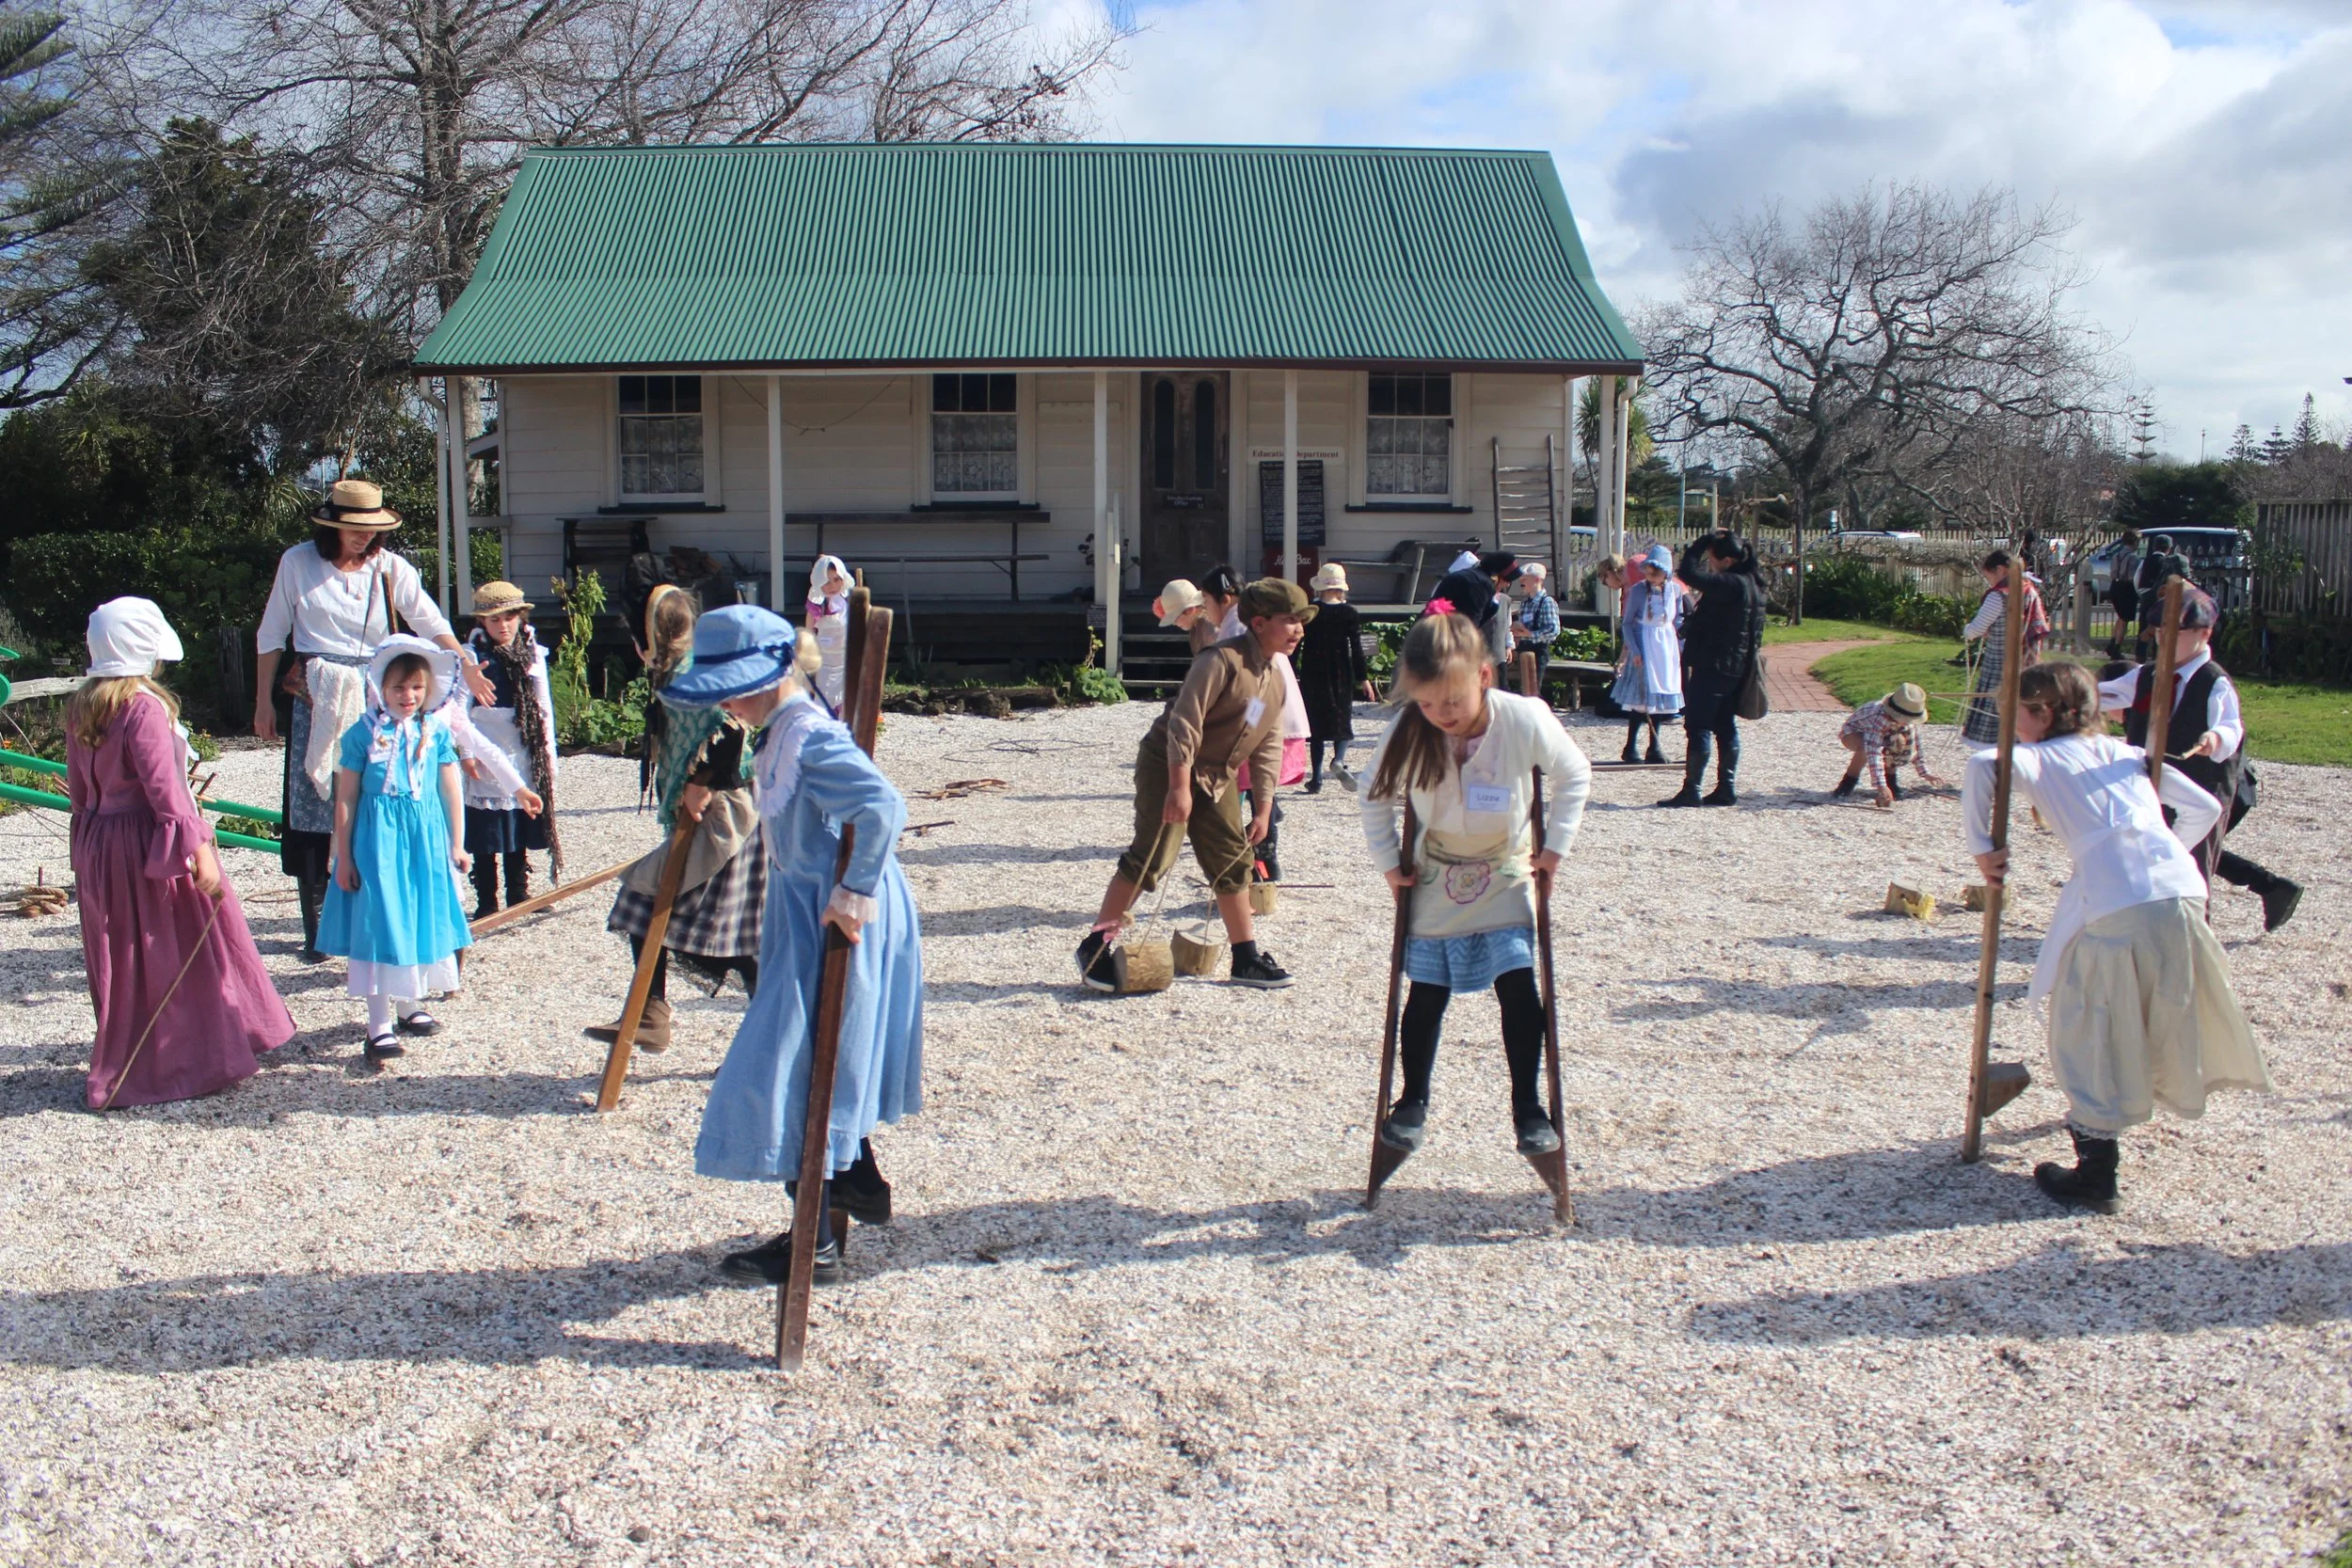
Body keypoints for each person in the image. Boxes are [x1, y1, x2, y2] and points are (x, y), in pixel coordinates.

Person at [657, 605, 921, 1286]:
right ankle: (849, 1179)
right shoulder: (775, 729)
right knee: (813, 1059)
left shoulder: (808, 735)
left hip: (835, 913)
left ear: (775, 671)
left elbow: (882, 805)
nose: (728, 699)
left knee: (782, 1063)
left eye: (736, 685)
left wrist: (854, 889)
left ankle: (824, 1224)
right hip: (802, 907)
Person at [1965, 660, 2268, 1212]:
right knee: (2152, 1005)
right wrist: (2160, 844)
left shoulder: (2037, 755)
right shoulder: (2130, 756)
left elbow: (1983, 764)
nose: (2010, 724)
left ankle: (2097, 1174)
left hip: (2120, 904)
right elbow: (2204, 806)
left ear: (2043, 712)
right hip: (2181, 892)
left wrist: (1983, 847)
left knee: (2087, 1023)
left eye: (2018, 712)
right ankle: (2128, 1110)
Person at [1360, 612, 1591, 1158]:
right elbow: (1373, 796)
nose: (1441, 714)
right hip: (1437, 866)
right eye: (1428, 702)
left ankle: (1528, 1105)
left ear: (1484, 677)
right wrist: (1391, 866)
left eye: (1452, 701)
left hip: (1505, 865)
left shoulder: (1523, 718)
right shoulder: (1411, 726)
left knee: (1516, 982)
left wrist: (1554, 849)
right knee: (1428, 988)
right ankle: (1412, 1098)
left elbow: (1574, 774)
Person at [252, 479, 492, 963]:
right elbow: (271, 633)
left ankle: (373, 910)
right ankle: (317, 922)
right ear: (332, 526)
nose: (363, 536)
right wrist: (262, 701)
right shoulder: (298, 563)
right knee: (314, 800)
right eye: (353, 528)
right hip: (318, 689)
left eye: (371, 528)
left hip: (376, 688)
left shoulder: (389, 567)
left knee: (377, 793)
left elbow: (427, 618)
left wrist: (462, 661)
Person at [67, 599, 294, 1109]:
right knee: (165, 945)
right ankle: (176, 1061)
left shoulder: (85, 703)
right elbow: (164, 790)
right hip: (146, 842)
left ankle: (145, 1052)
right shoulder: (142, 706)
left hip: (101, 840)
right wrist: (199, 850)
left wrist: (88, 848)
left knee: (128, 950)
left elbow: (79, 793)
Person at [1077, 578, 1309, 991]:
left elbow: (1268, 741)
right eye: (1290, 621)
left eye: (1300, 622)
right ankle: (1095, 946)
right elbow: (1185, 723)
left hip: (1216, 775)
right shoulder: (1219, 660)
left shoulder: (1273, 676)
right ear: (1258, 622)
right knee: (1152, 856)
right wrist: (1179, 787)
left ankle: (1245, 958)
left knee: (1232, 859)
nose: (1299, 630)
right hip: (1168, 764)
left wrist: (1263, 806)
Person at [592, 585, 766, 1053]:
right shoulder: (675, 672)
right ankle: (654, 1015)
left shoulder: (689, 672)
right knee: (730, 935)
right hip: (714, 815)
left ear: (648, 635)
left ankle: (658, 1014)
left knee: (659, 906)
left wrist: (701, 780)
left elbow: (730, 724)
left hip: (725, 817)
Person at [2098, 589, 2302, 933]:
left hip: (2202, 790)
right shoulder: (2146, 675)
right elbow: (2105, 693)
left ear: (2204, 633)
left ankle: (2192, 942)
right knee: (2143, 856)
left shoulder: (2214, 681)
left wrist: (2214, 738)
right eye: (2160, 630)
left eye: (2175, 631)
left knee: (2192, 867)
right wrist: (2055, 694)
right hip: (2152, 788)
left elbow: (2230, 725)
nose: (2164, 638)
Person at [316, 636, 476, 1062]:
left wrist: (457, 843)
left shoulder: (435, 731)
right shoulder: (363, 734)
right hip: (378, 840)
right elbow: (346, 796)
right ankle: (378, 1024)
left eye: (416, 688)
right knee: (382, 921)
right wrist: (344, 855)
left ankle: (410, 1004)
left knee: (418, 915)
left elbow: (449, 789)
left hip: (423, 839)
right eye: (399, 688)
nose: (408, 697)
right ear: (381, 689)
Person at [459, 581, 558, 918]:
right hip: (485, 740)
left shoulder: (533, 653)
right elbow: (460, 705)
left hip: (523, 744)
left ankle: (518, 891)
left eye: (509, 617)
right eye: (494, 619)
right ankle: (486, 898)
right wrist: (466, 751)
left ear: (520, 617)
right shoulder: (471, 656)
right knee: (487, 824)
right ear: (482, 623)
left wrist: (549, 753)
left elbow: (543, 705)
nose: (503, 625)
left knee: (519, 814)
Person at [1662, 532, 1764, 808]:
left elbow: (1686, 573)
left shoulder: (1731, 583)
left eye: (1712, 558)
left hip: (1714, 664)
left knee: (1699, 726)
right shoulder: (1754, 584)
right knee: (1724, 725)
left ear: (1727, 560)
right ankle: (1726, 788)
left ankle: (1692, 789)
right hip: (1737, 666)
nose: (1709, 564)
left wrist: (1701, 541)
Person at [1297, 562, 1374, 794]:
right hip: (1341, 672)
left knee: (1316, 727)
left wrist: (1290, 671)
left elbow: (1297, 643)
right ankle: (1338, 760)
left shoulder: (1311, 611)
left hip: (1313, 672)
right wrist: (1363, 678)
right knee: (1342, 719)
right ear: (1342, 588)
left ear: (1319, 587)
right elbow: (1357, 649)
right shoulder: (1349, 613)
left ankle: (1316, 778)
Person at [1959, 549, 2047, 746]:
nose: (1988, 581)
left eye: (1988, 575)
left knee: (1997, 707)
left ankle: (1996, 752)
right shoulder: (2030, 592)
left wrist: (1967, 631)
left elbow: (1977, 628)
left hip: (2000, 663)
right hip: (2026, 664)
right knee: (2022, 704)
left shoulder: (1998, 596)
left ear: (1999, 570)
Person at [1611, 545, 1685, 763]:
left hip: (1665, 647)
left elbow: (1678, 618)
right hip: (1644, 645)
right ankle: (1630, 746)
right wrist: (1635, 649)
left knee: (1660, 697)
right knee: (1641, 698)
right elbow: (1627, 623)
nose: (1652, 577)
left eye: (1657, 572)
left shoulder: (1675, 590)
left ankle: (1654, 746)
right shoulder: (1638, 590)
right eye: (1649, 572)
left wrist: (1680, 645)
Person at [1833, 683, 1944, 805]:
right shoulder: (1877, 717)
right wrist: (1880, 786)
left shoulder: (1906, 719)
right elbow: (1873, 751)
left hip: (1883, 735)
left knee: (1900, 742)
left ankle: (1891, 781)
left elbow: (1915, 745)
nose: (1908, 722)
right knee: (1864, 749)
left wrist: (1925, 773)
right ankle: (1848, 782)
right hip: (1854, 733)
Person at [1429, 550, 1519, 678]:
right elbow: (1469, 624)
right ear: (1496, 576)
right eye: (1506, 580)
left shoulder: (1474, 578)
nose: (1507, 584)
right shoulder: (1479, 584)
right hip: (1444, 640)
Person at [804, 554, 852, 711]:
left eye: (836, 580)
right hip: (824, 662)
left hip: (846, 660)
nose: (832, 585)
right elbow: (809, 633)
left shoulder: (848, 602)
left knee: (846, 699)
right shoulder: (817, 605)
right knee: (824, 698)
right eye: (826, 581)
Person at [1511, 562, 1561, 702]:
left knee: (1533, 687)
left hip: (1538, 651)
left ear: (1538, 580)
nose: (1521, 582)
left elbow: (1553, 630)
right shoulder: (1526, 602)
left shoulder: (1547, 602)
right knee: (1525, 687)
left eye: (1525, 579)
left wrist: (1531, 634)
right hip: (1523, 648)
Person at [1188, 565, 1244, 656]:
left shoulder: (1234, 633)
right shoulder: (1244, 624)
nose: (1204, 606)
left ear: (1225, 600)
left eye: (1206, 601)